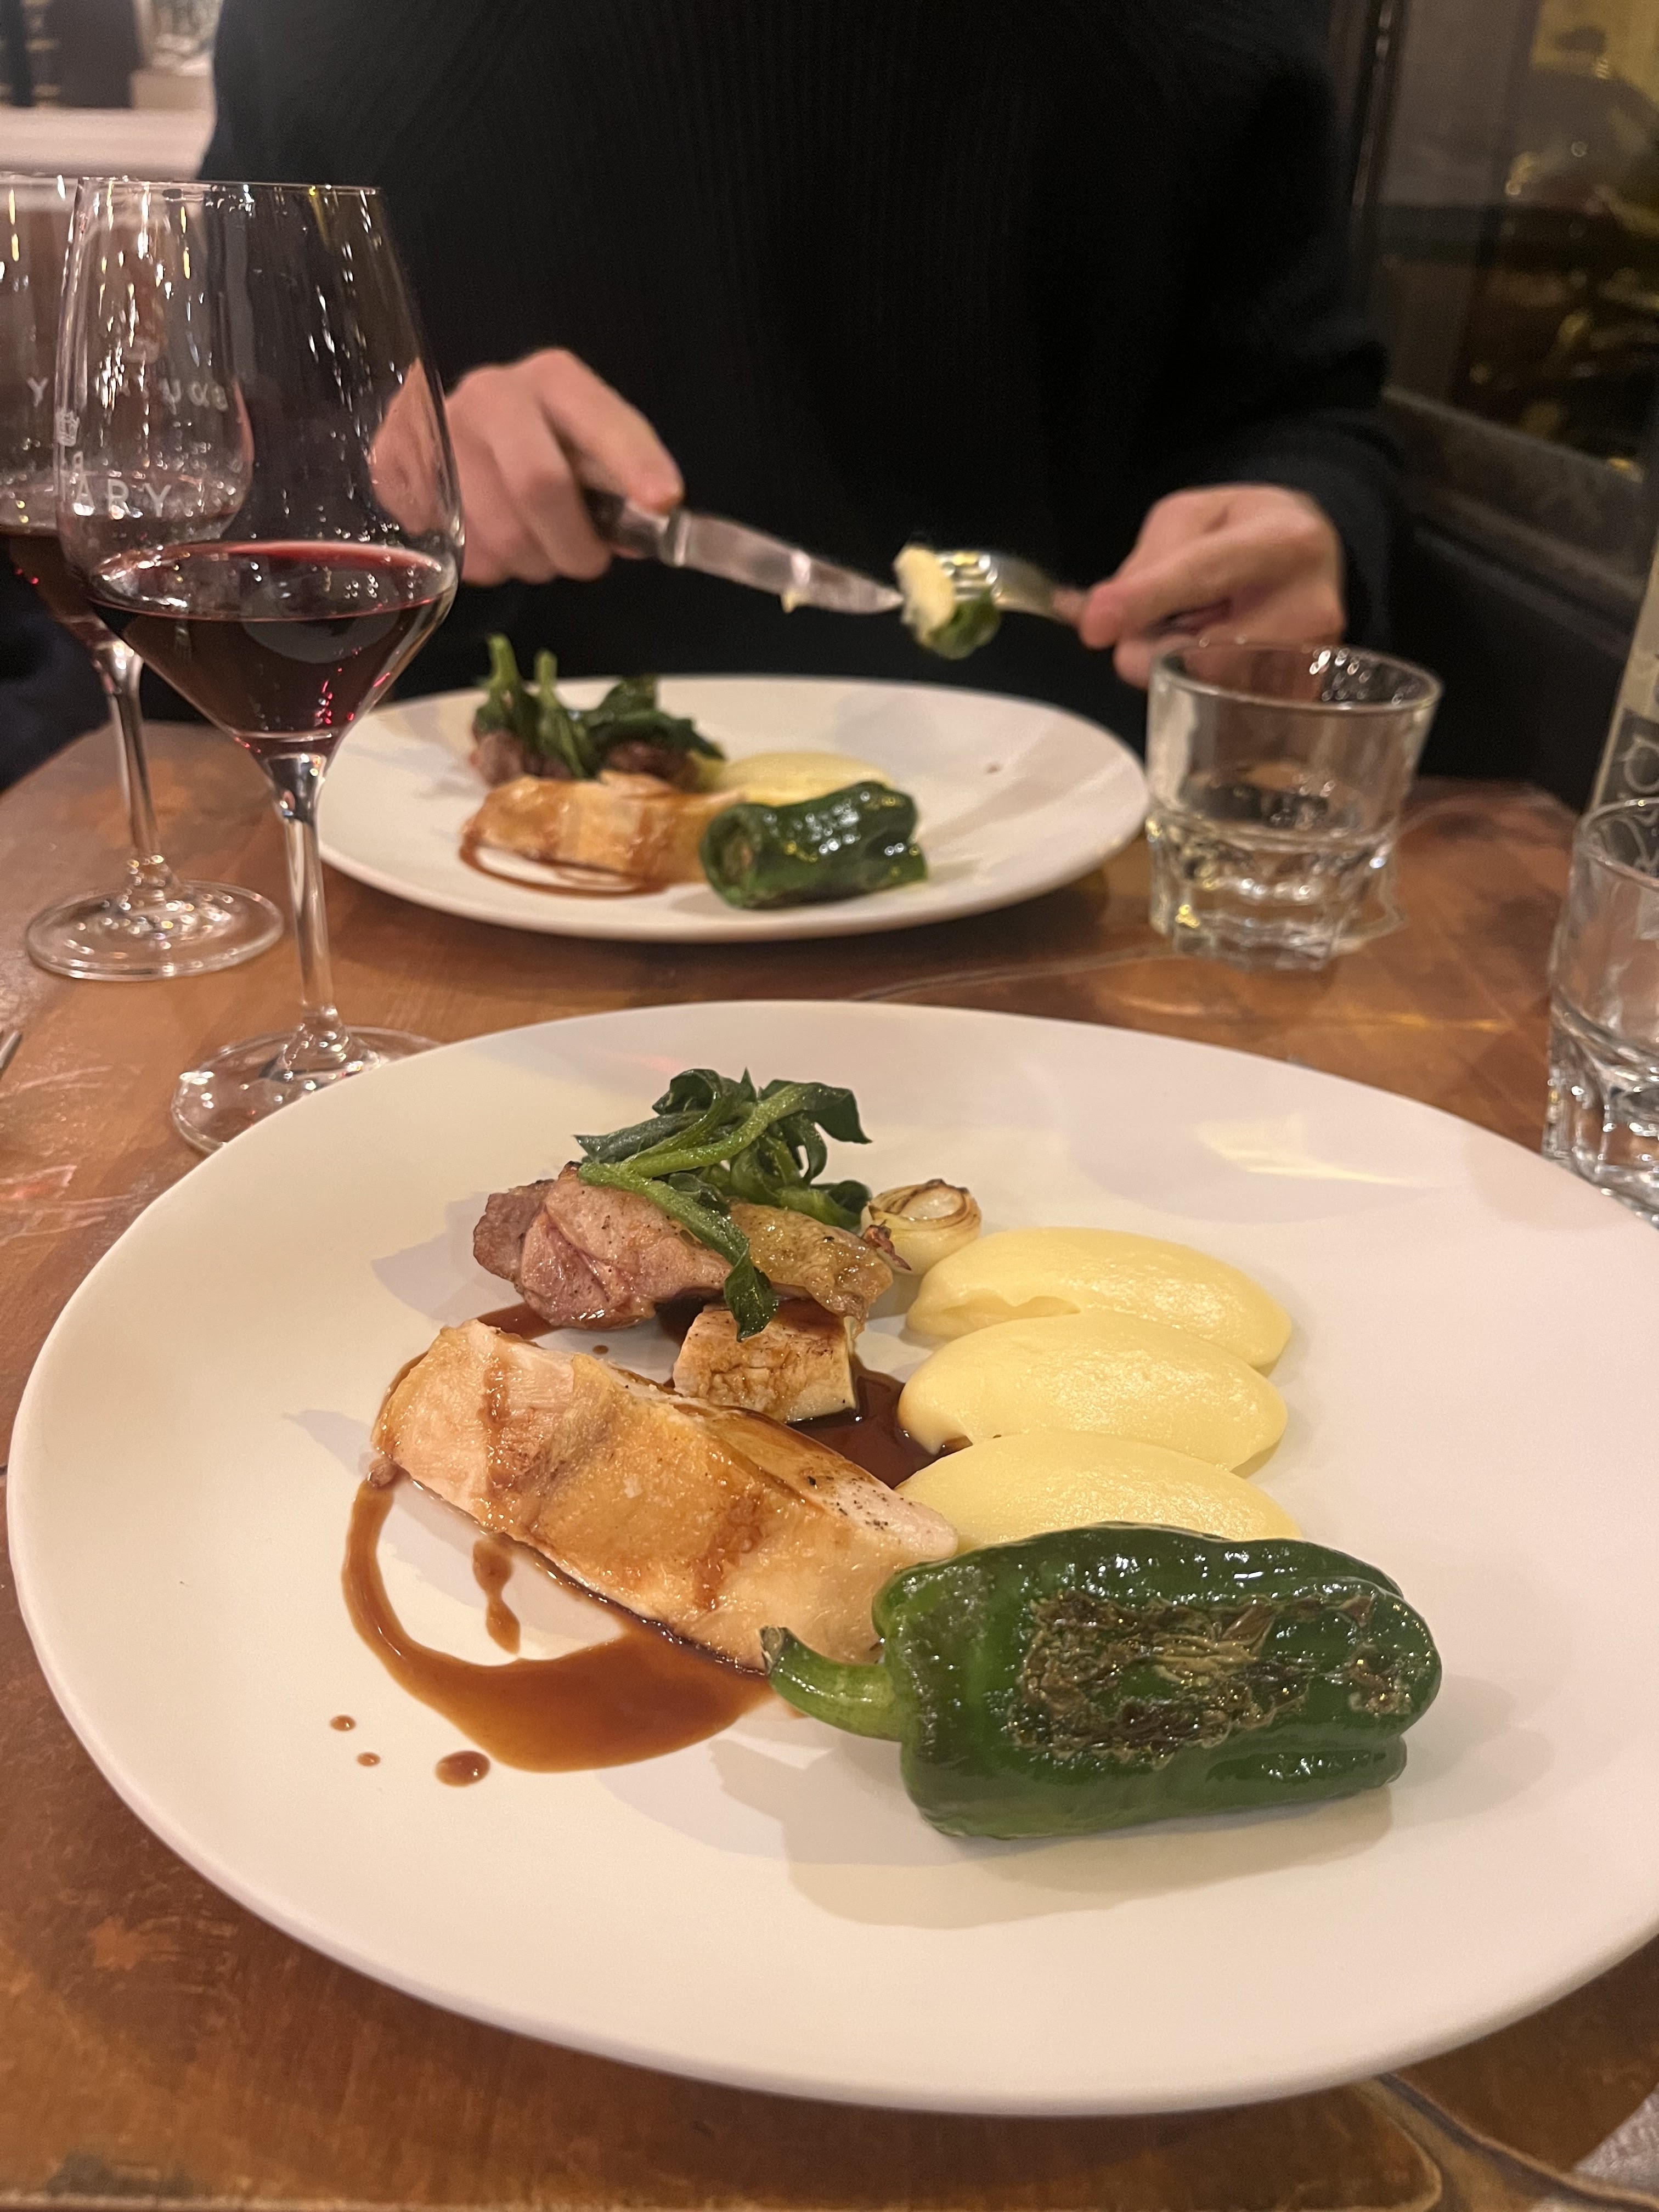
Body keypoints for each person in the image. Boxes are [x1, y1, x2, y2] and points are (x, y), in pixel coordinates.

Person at [203, 1, 1398, 744]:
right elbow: (214, 480)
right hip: (438, 844)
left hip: (1069, 840)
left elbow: (1299, 412)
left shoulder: (1209, 35)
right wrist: (389, 476)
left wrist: (1305, 518)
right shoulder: (324, 31)